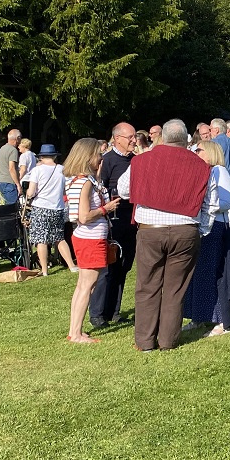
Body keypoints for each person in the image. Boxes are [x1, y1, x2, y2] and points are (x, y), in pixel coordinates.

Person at [116, 119, 211, 352]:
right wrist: (202, 229)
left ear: (164, 137)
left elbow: (123, 190)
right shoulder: (200, 165)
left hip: (151, 229)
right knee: (175, 289)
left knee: (147, 286)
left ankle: (145, 341)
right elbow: (208, 202)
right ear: (185, 139)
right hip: (185, 229)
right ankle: (168, 340)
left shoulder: (142, 160)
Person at [62, 138, 118, 344]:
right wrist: (106, 208)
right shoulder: (85, 183)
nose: (101, 158)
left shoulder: (79, 180)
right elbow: (84, 216)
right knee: (87, 286)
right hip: (90, 239)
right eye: (98, 154)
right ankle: (76, 334)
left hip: (87, 238)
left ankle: (74, 330)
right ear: (87, 156)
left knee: (83, 286)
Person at [182, 141, 230, 336]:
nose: (195, 152)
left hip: (215, 226)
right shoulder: (203, 170)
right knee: (197, 273)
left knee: (211, 272)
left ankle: (220, 321)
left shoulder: (219, 170)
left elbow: (227, 201)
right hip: (202, 225)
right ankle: (198, 316)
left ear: (210, 152)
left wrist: (202, 203)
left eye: (199, 150)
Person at [92, 122, 138, 329]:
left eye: (134, 137)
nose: (134, 141)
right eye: (130, 137)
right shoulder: (107, 160)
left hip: (132, 221)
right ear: (117, 138)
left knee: (124, 267)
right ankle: (98, 313)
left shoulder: (136, 160)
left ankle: (114, 311)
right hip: (113, 221)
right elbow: (100, 190)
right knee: (108, 268)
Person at [24, 144, 77, 276]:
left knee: (41, 240)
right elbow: (65, 190)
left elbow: (31, 192)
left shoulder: (37, 170)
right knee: (59, 238)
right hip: (58, 208)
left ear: (41, 157)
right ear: (54, 156)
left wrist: (28, 194)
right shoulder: (62, 169)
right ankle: (71, 265)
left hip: (41, 208)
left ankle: (44, 270)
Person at [0, 129, 22, 205]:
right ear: (17, 138)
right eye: (20, 138)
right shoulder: (13, 150)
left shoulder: (2, 148)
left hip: (1, 181)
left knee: (4, 207)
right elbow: (11, 168)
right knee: (11, 207)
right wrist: (18, 184)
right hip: (9, 182)